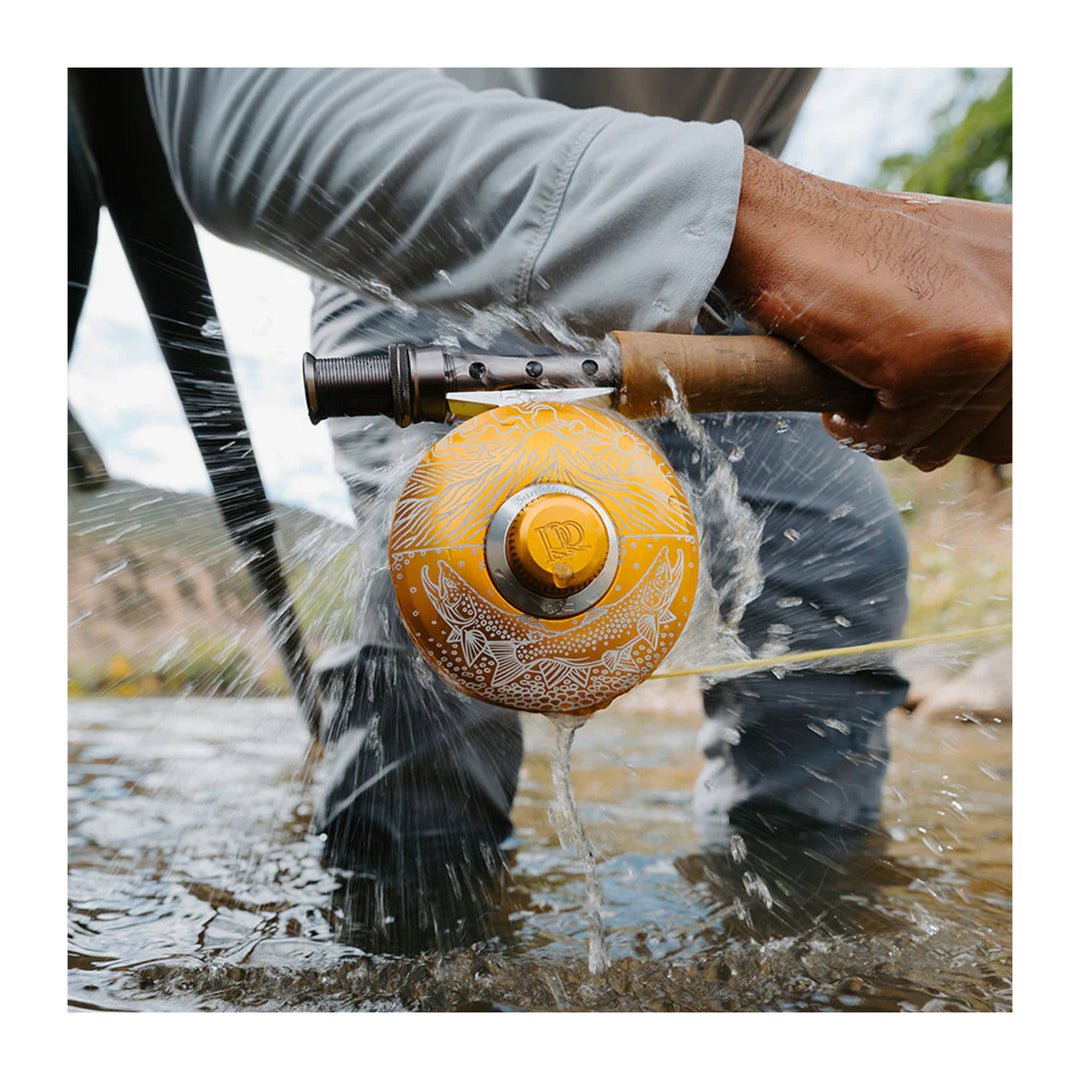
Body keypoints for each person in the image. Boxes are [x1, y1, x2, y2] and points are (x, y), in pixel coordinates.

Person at [132, 69, 1010, 943]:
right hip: (422, 235)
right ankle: (406, 957)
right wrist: (754, 211)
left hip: (699, 264)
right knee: (443, 614)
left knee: (839, 552)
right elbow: (237, 118)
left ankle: (810, 941)